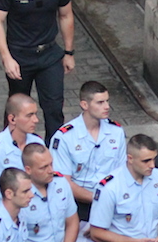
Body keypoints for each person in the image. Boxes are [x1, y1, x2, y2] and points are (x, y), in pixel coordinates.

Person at [0, 0, 75, 141]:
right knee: (17, 108)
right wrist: (7, 57)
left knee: (54, 108)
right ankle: (10, 149)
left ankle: (53, 156)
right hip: (20, 55)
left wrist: (69, 51)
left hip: (49, 54)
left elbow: (66, 15)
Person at [50, 80, 126, 224]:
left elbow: (122, 172)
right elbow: (62, 182)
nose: (107, 107)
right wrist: (98, 198)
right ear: (84, 105)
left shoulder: (116, 132)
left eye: (107, 101)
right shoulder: (65, 137)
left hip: (112, 202)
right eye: (100, 102)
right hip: (77, 203)